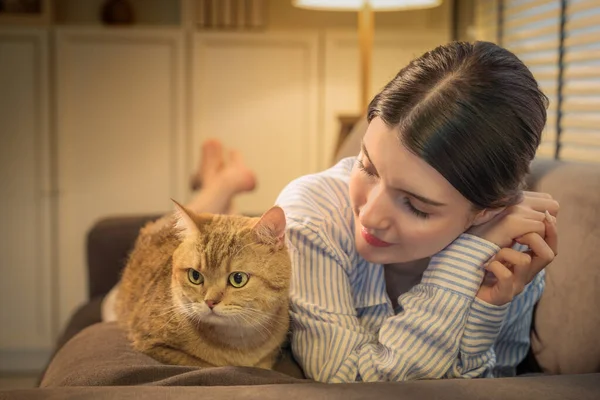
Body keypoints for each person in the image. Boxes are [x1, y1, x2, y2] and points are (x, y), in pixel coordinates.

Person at [275, 41, 559, 382]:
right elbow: (345, 383)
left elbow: (498, 382)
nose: (369, 217)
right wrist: (459, 265)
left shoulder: (511, 252)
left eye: (415, 205)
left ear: (485, 212)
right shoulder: (313, 218)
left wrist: (482, 296)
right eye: (367, 167)